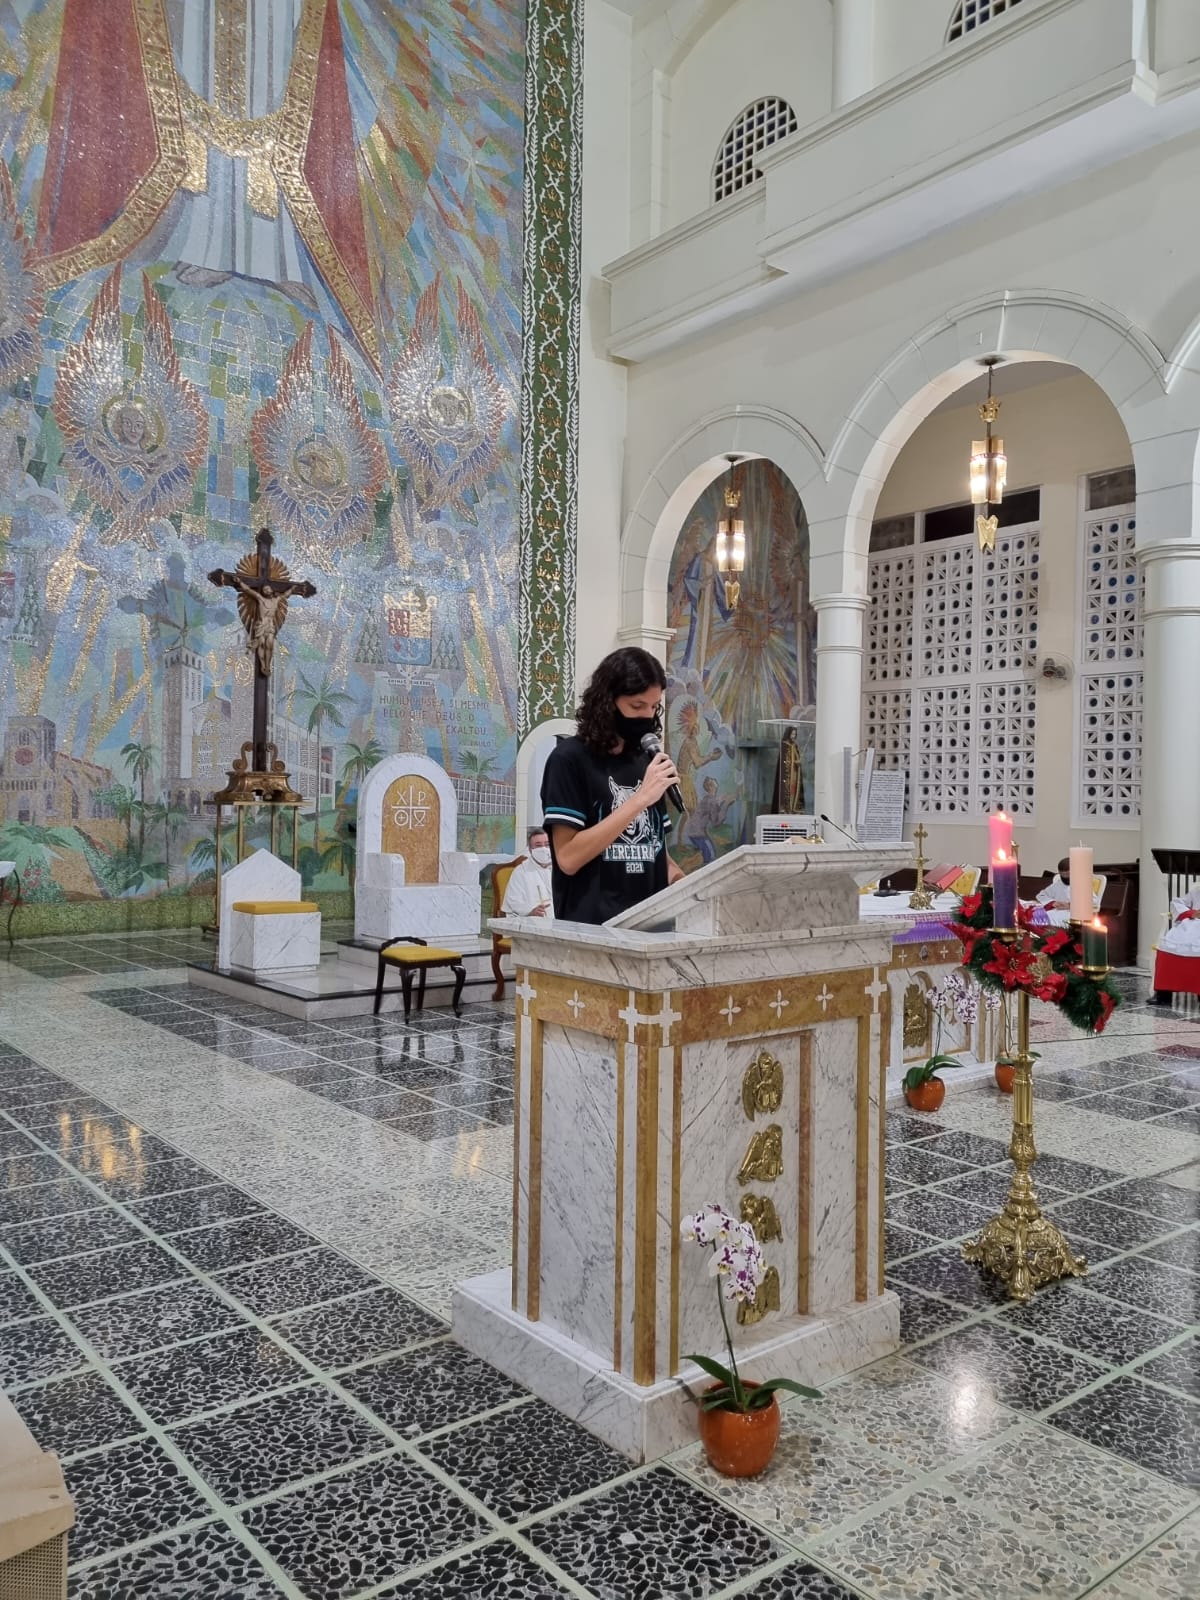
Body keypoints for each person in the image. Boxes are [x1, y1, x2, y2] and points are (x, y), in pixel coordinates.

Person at [541, 647, 685, 924]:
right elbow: (568, 859)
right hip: (594, 928)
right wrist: (639, 799)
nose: (647, 716)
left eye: (654, 707)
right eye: (637, 706)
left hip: (650, 926)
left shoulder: (646, 761)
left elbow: (654, 853)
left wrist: (684, 883)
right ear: (607, 701)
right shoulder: (569, 760)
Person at [1148, 884, 1200, 1005]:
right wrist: (1190, 913)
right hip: (1190, 926)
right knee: (1167, 947)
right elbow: (1177, 903)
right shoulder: (1197, 890)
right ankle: (1163, 994)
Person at [503, 827, 554, 920]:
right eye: (538, 845)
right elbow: (514, 900)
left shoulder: (562, 869)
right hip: (531, 921)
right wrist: (531, 911)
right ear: (530, 850)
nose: (544, 849)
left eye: (547, 844)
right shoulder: (521, 871)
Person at [685, 776, 735, 866]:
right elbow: (716, 822)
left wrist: (721, 801)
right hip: (697, 833)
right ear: (711, 787)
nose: (715, 781)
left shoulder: (708, 798)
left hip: (695, 831)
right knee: (710, 856)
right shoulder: (711, 800)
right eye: (712, 781)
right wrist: (726, 804)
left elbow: (713, 806)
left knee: (711, 852)